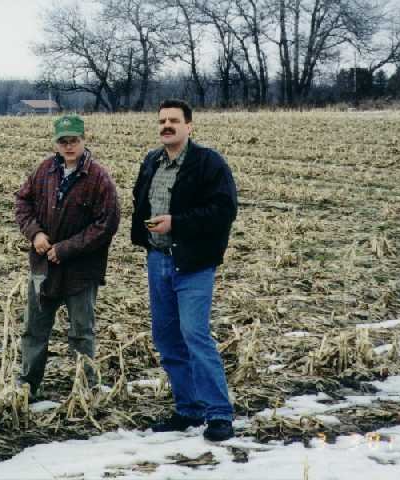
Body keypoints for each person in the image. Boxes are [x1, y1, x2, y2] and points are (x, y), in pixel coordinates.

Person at [131, 99, 238, 441]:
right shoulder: (152, 161)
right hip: (158, 261)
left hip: (193, 264)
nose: (167, 125)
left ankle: (219, 413)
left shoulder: (209, 163)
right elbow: (140, 200)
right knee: (167, 339)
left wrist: (176, 223)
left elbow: (223, 211)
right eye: (162, 120)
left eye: (174, 120)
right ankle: (188, 409)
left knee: (194, 335)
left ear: (189, 126)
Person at [15, 114, 120, 398]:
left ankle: (86, 390)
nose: (69, 146)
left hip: (81, 270)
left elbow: (107, 224)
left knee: (81, 333)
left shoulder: (99, 177)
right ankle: (27, 385)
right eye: (63, 141)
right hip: (43, 266)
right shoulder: (45, 170)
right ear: (56, 143)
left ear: (84, 140)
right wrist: (35, 234)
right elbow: (22, 202)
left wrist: (66, 249)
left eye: (74, 140)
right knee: (34, 330)